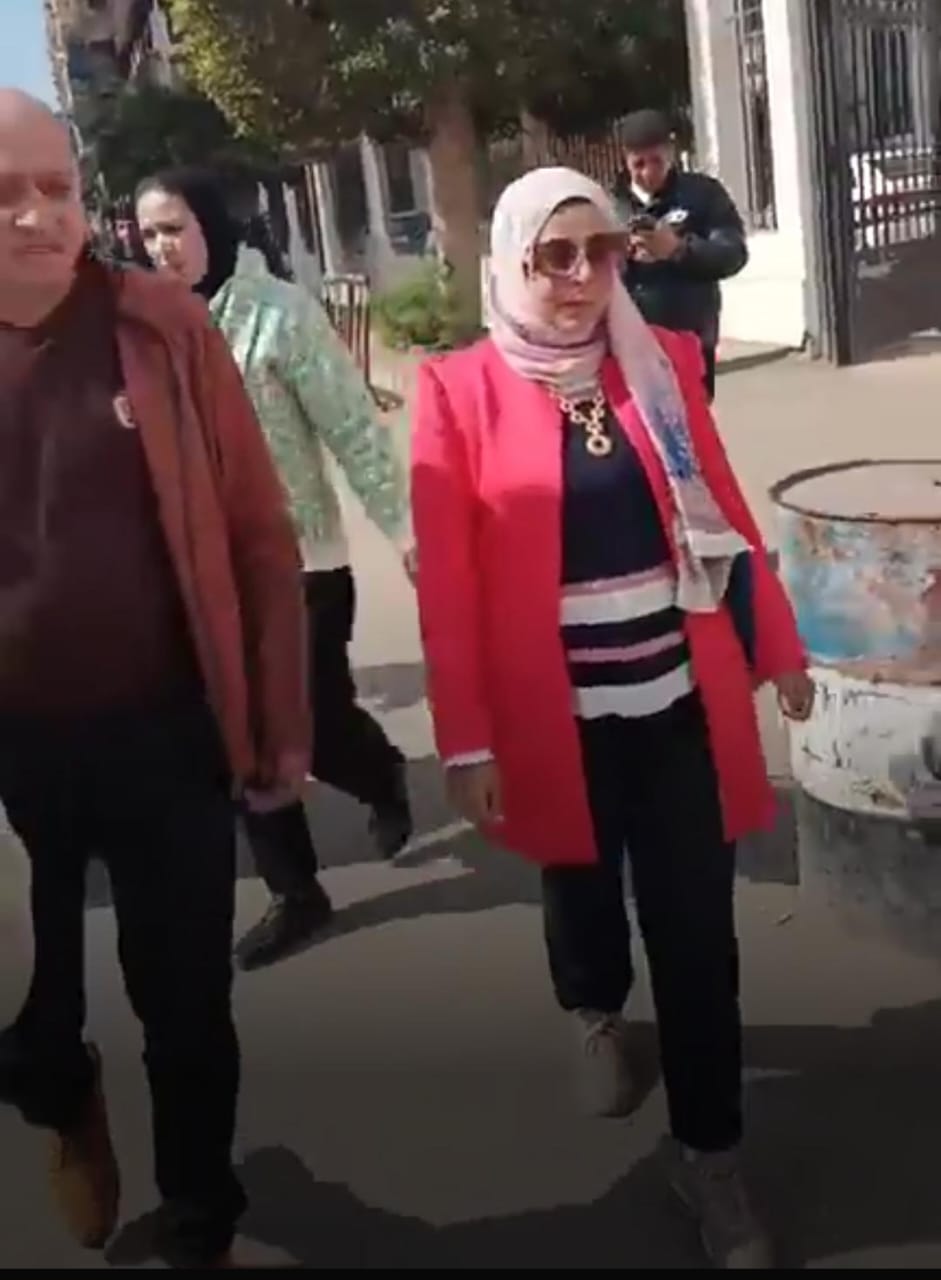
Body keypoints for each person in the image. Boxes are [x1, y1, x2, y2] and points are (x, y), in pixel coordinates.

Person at [409, 166, 814, 1269]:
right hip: (558, 717)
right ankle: (593, 1010)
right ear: (510, 263)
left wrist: (775, 648)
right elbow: (448, 589)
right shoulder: (457, 392)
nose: (585, 276)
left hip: (679, 701)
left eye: (602, 251)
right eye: (556, 255)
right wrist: (467, 740)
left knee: (697, 939)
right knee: (580, 887)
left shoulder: (661, 361)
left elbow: (721, 514)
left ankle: (709, 1153)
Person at [0, 91, 311, 1266]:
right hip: (15, 746)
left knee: (182, 996)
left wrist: (278, 716)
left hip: (165, 730)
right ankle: (59, 1087)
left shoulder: (161, 324)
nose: (39, 215)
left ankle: (198, 1209)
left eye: (56, 187)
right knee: (30, 1006)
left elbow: (256, 532)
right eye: (4, 195)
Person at [135, 168, 415, 972]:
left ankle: (380, 774)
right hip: (202, 572)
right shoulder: (150, 331)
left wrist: (403, 529)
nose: (161, 248)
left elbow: (352, 426)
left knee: (314, 724)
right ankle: (296, 891)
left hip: (302, 564)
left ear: (211, 226)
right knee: (238, 735)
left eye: (174, 228)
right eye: (148, 234)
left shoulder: (279, 315)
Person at [611, 108, 748, 401]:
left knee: (694, 419)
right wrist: (621, 258)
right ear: (625, 159)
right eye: (639, 164)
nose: (648, 172)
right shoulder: (608, 206)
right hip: (630, 344)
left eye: (656, 161)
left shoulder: (703, 194)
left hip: (691, 338)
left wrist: (678, 249)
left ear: (671, 152)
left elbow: (732, 253)